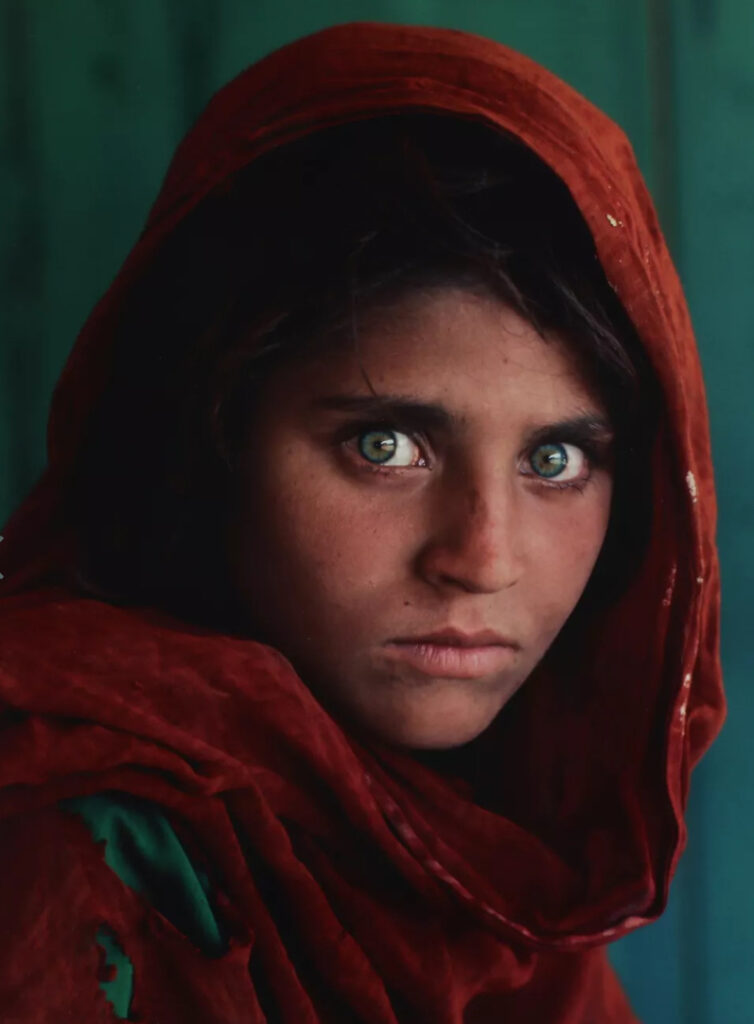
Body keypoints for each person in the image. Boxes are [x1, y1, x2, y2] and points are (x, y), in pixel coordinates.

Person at [0, 21, 724, 1024]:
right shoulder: (69, 853)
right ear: (212, 436)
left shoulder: (496, 864)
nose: (482, 558)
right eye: (384, 445)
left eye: (555, 459)